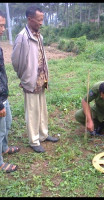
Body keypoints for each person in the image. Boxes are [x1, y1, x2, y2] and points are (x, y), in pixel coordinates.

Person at [11, 6, 59, 153]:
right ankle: (34, 140)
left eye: (42, 20)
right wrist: (25, 76)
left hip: (41, 80)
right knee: (32, 111)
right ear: (30, 19)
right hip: (30, 80)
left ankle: (43, 134)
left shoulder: (39, 35)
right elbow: (15, 61)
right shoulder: (23, 37)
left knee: (42, 110)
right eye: (39, 20)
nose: (41, 23)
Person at [0, 10, 20, 173]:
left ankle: (4, 148)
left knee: (7, 124)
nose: (2, 29)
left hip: (3, 96)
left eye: (3, 25)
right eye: (0, 25)